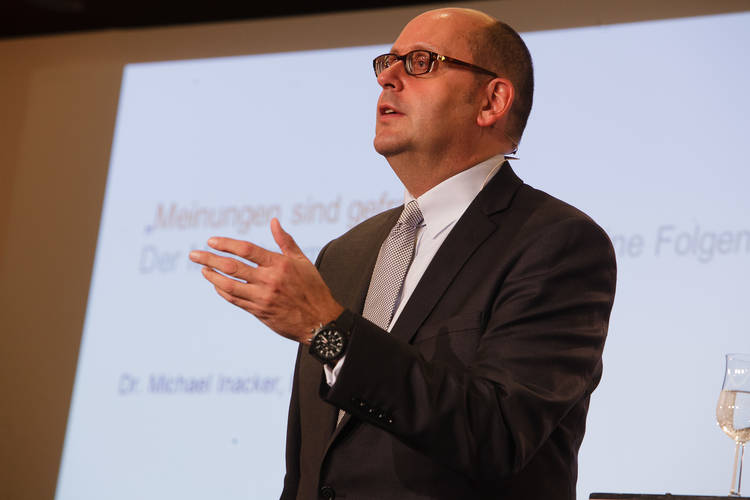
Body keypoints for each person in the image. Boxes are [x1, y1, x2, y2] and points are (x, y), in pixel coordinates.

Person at [189, 7, 616, 500]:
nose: (387, 78)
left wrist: (329, 331)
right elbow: (309, 468)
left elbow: (497, 433)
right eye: (386, 62)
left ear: (491, 101)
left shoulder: (557, 244)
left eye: (420, 62)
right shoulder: (344, 254)